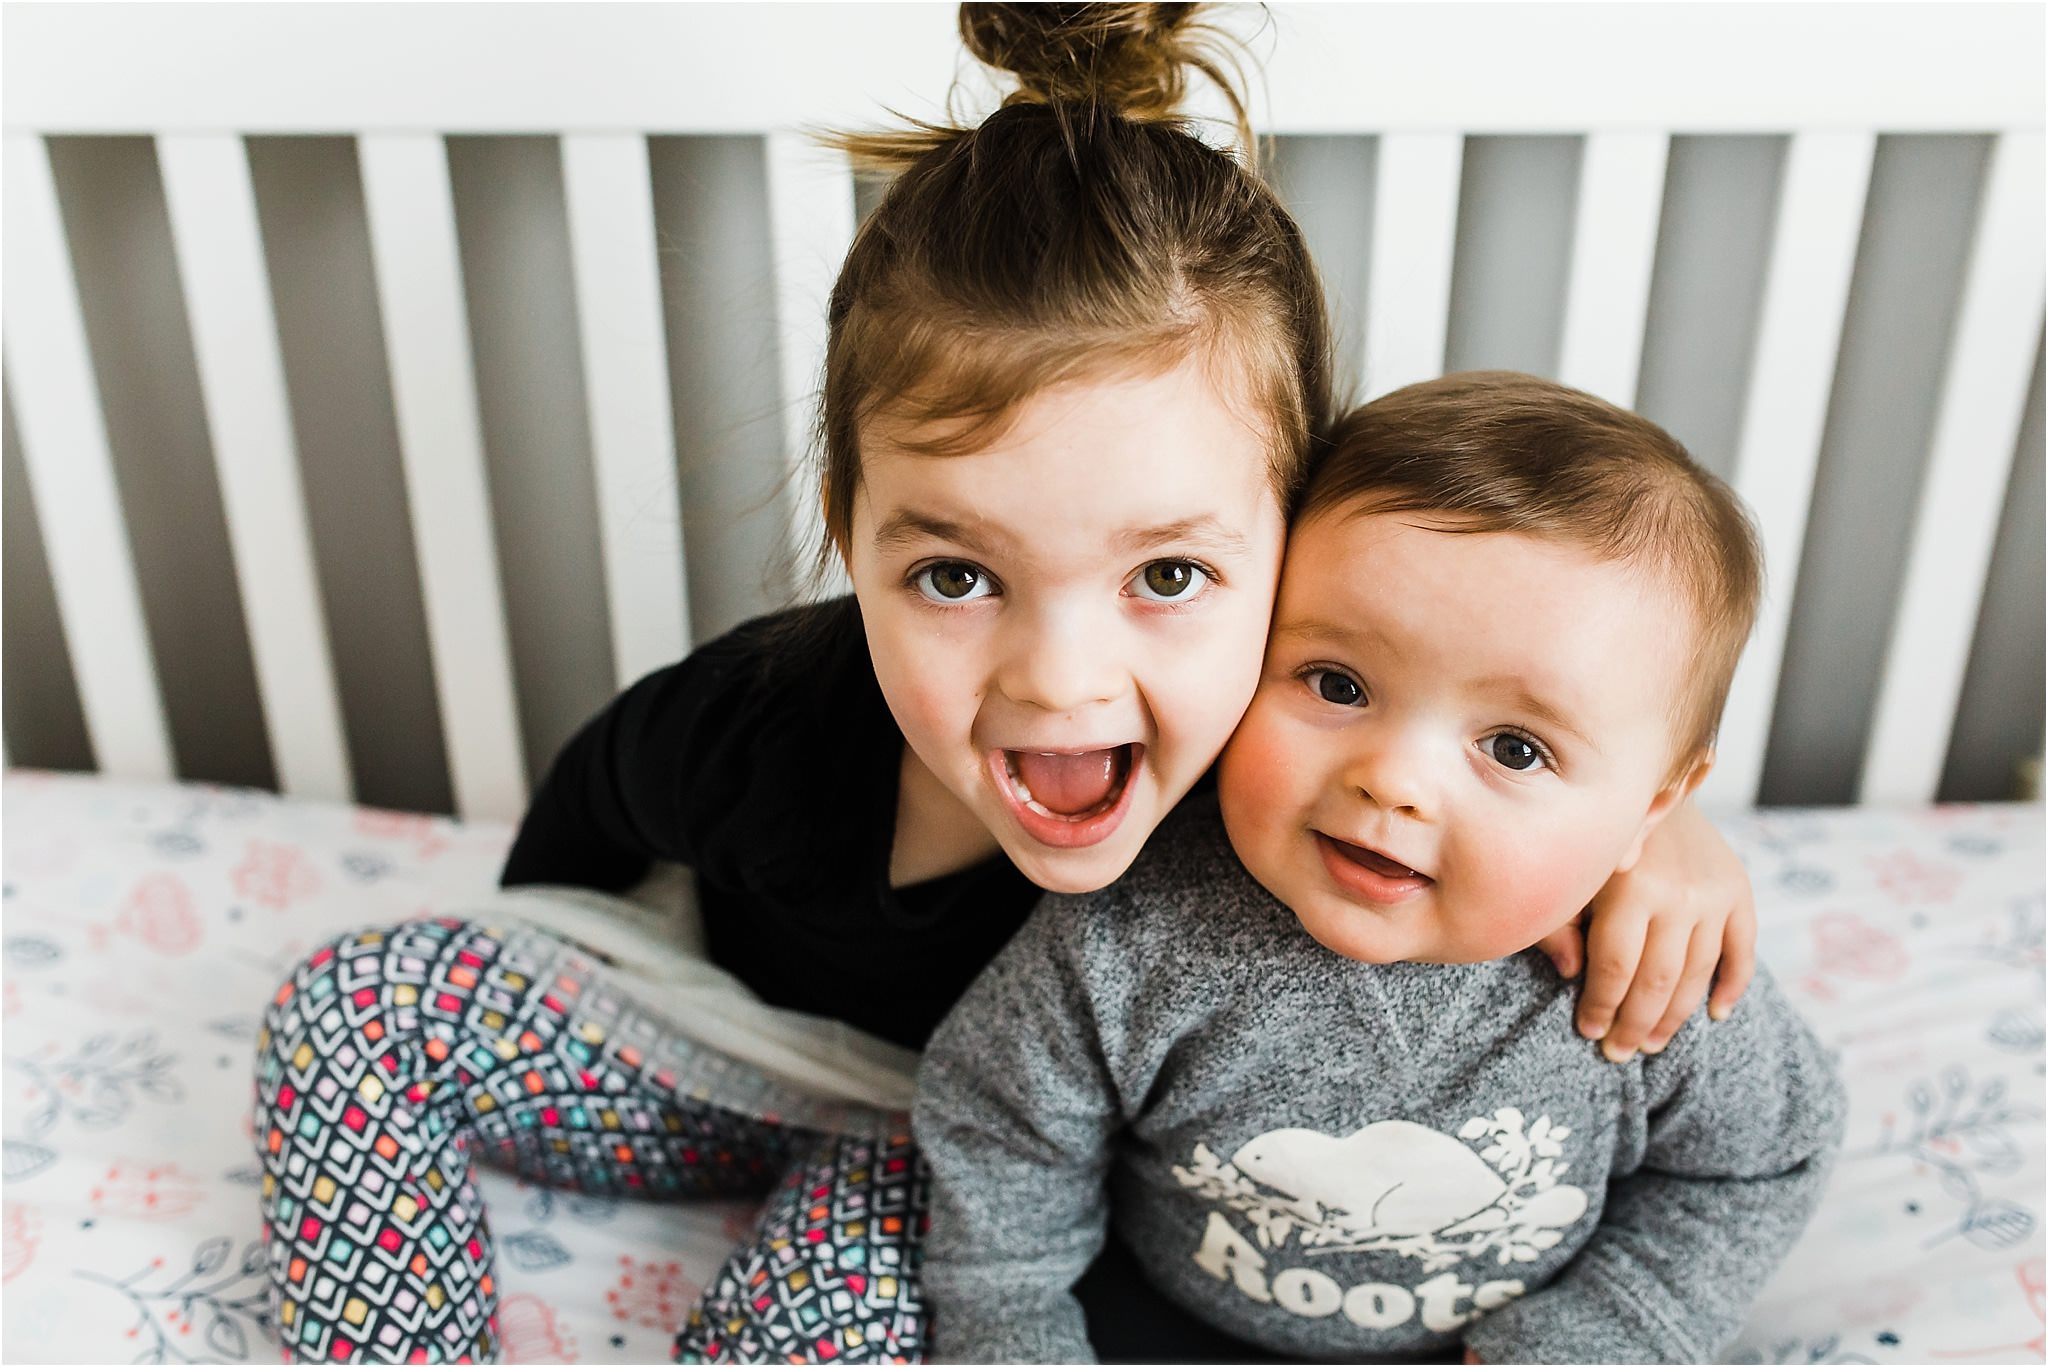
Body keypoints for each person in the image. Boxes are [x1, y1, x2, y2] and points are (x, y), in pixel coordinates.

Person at [252, 8, 1759, 1362]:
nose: (1060, 678)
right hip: (720, 1052)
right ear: (849, 535)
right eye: (956, 576)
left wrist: (1651, 832)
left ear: (1297, 552)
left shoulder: (1334, 785)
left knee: (834, 1310)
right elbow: (592, 799)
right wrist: (569, 966)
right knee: (350, 1004)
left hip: (951, 1167)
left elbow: (1505, 708)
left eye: (1168, 578)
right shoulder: (767, 718)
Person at [914, 372, 1847, 1364]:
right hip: (1162, 1318)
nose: (1392, 781)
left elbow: (1763, 1158)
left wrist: (1602, 1330)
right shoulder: (1124, 940)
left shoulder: (1647, 977)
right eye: (1338, 683)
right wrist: (1010, 1327)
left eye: (1514, 747)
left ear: (1654, 804)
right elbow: (1001, 1128)